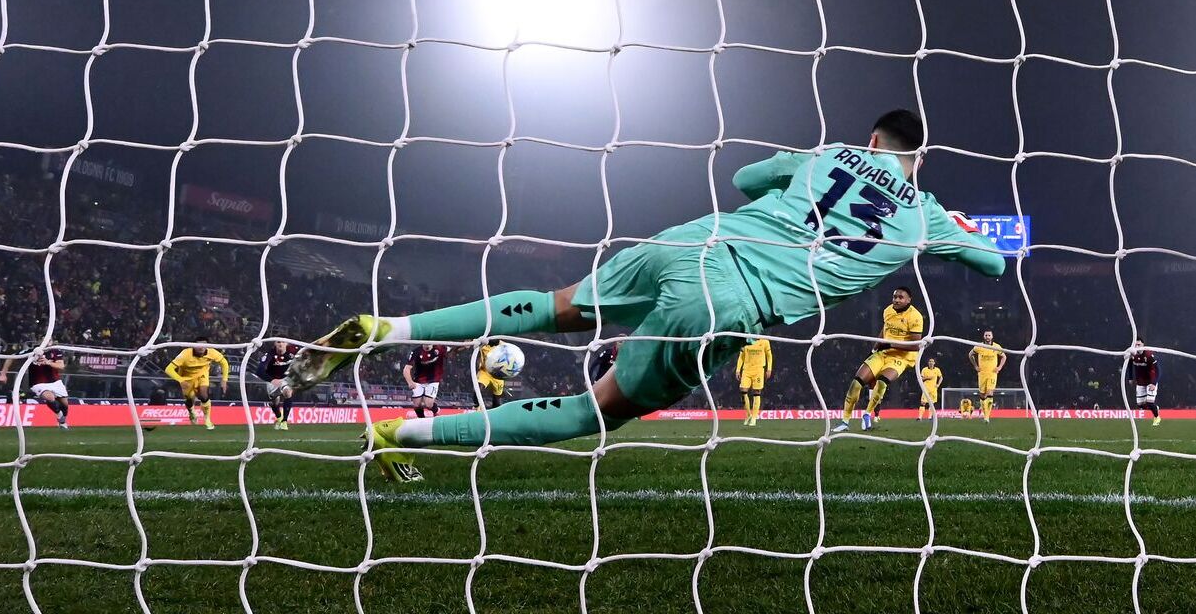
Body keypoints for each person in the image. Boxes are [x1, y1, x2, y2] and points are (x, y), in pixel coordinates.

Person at [283, 110, 1005, 482]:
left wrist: (801, 183)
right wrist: (957, 225)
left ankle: (388, 325)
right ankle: (394, 435)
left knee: (552, 303)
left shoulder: (826, 156)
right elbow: (992, 268)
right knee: (590, 412)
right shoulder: (925, 214)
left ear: (870, 138)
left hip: (686, 241)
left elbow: (747, 184)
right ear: (916, 157)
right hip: (726, 303)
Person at [833, 286, 925, 433]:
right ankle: (845, 421)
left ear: (909, 300)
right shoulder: (888, 310)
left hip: (902, 357)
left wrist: (890, 344)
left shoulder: (915, 317)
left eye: (900, 297)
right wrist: (875, 348)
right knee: (856, 383)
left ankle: (867, 414)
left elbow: (915, 346)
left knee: (882, 381)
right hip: (883, 353)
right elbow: (885, 329)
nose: (896, 299)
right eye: (894, 296)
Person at [0, 347, 71, 429]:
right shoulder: (31, 351)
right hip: (38, 383)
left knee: (65, 405)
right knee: (50, 397)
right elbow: (11, 357)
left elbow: (61, 366)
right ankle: (59, 414)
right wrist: (3, 374)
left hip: (55, 382)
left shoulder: (55, 351)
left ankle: (62, 422)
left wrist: (47, 362)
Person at [165, 343, 230, 430]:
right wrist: (180, 380)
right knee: (190, 399)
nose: (201, 347)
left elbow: (224, 362)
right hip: (187, 378)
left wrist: (224, 380)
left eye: (204, 345)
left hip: (202, 376)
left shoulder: (212, 352)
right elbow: (168, 369)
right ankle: (191, 411)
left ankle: (207, 419)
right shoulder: (185, 354)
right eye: (199, 345)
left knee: (204, 395)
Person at [256, 341, 296, 430]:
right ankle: (279, 418)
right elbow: (259, 371)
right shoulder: (269, 354)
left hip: (285, 379)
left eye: (283, 342)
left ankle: (284, 422)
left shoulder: (293, 351)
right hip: (272, 379)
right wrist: (272, 380)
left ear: (287, 343)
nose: (281, 344)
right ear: (275, 344)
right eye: (278, 342)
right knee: (274, 402)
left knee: (287, 392)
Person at [967, 329, 1005, 423]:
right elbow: (970, 354)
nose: (987, 337)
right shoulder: (979, 346)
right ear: (984, 337)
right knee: (982, 395)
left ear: (992, 337)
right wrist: (975, 366)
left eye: (989, 335)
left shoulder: (996, 347)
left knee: (990, 392)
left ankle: (987, 417)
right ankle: (985, 413)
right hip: (982, 374)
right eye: (986, 335)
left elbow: (1004, 356)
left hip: (992, 374)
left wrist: (999, 367)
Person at [403, 343, 448, 418]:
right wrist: (410, 382)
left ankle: (436, 411)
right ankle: (421, 419)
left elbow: (452, 351)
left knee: (428, 404)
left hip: (433, 380)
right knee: (417, 405)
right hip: (418, 381)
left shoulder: (440, 348)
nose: (427, 344)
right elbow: (406, 369)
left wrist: (463, 346)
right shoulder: (416, 351)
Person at [735, 337, 773, 427]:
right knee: (743, 391)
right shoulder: (746, 341)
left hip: (758, 370)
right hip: (747, 370)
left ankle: (754, 418)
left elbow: (769, 355)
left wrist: (769, 369)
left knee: (756, 392)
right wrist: (737, 370)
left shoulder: (765, 342)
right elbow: (741, 357)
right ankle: (748, 415)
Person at [1129, 339, 1161, 426]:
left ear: (1143, 345)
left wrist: (1154, 383)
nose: (1137, 347)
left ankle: (1157, 417)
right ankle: (1155, 408)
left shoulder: (1149, 355)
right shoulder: (1133, 355)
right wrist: (1131, 378)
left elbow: (1158, 370)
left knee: (1149, 402)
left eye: (1139, 345)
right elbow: (1129, 365)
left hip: (1150, 382)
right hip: (1140, 382)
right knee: (1140, 404)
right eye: (1136, 345)